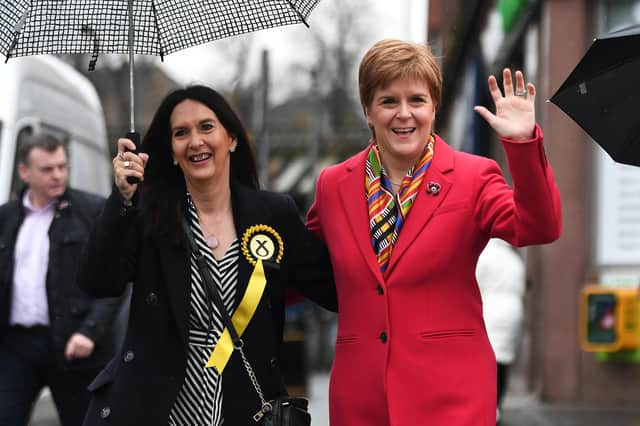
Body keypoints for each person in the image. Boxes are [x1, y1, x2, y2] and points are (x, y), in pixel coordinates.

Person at [306, 39, 562, 426]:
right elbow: (298, 263)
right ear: (368, 111)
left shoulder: (474, 176)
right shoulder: (332, 185)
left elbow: (539, 227)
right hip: (360, 401)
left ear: (434, 107)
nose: (404, 114)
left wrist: (522, 144)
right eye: (388, 101)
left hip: (451, 400)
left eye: (417, 100)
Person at [77, 85, 336, 425]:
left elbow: (332, 288)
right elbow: (98, 281)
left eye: (206, 127)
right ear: (171, 150)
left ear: (231, 138)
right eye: (181, 133)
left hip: (245, 409)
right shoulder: (147, 214)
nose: (195, 141)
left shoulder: (274, 213)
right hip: (157, 409)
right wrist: (121, 200)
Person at [0, 133, 122, 426]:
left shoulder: (92, 211)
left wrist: (90, 332)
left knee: (83, 421)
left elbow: (115, 280)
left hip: (74, 345)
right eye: (47, 169)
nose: (57, 175)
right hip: (16, 346)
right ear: (23, 172)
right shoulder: (6, 218)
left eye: (62, 166)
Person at [476, 238, 526, 423]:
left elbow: (475, 281)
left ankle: (490, 408)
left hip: (491, 308)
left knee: (488, 361)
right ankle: (498, 405)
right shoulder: (513, 259)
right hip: (513, 309)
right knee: (503, 360)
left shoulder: (485, 255)